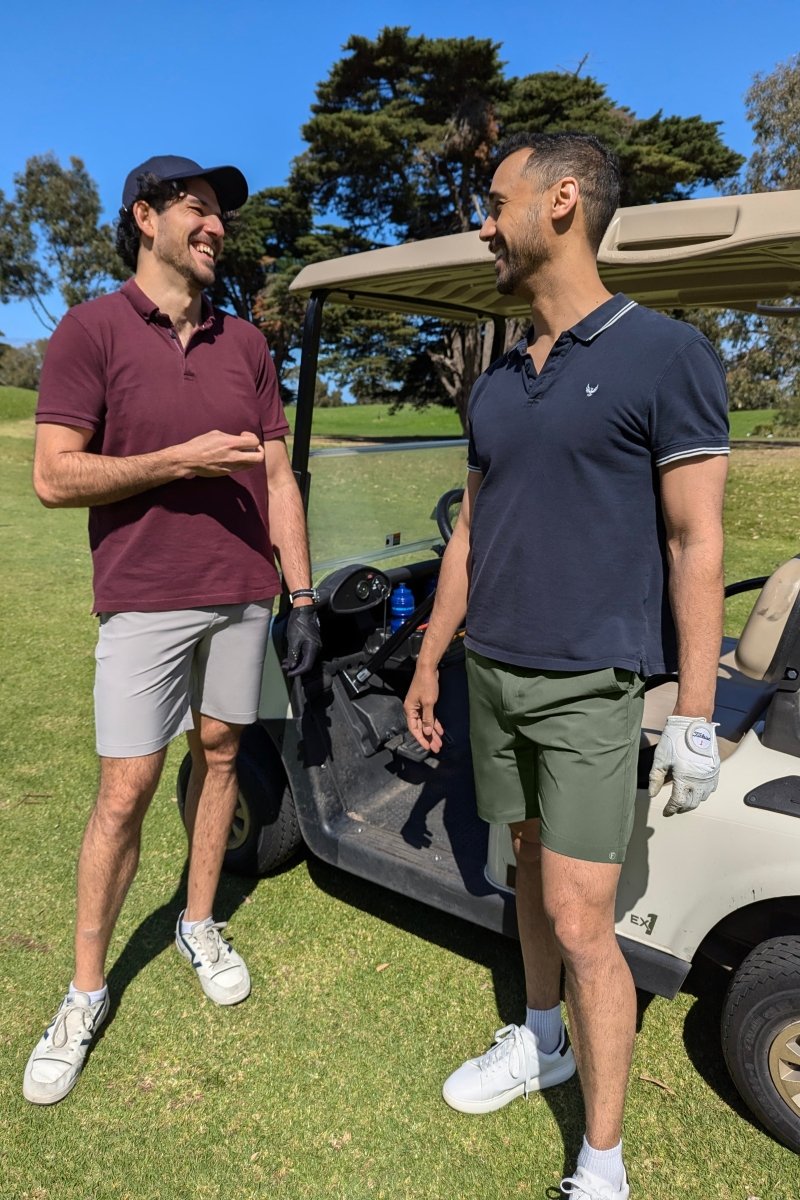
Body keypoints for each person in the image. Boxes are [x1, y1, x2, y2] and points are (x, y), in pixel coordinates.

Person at [403, 133, 728, 1200]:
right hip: (492, 672)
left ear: (562, 201)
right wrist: (431, 656)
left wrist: (693, 713)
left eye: (495, 203)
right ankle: (538, 1037)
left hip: (591, 687)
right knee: (526, 863)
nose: (482, 226)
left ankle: (601, 1162)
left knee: (585, 921)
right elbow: (469, 532)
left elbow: (694, 539)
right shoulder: (498, 382)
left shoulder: (665, 353)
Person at [24, 155, 321, 1106]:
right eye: (198, 208)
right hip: (144, 600)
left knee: (223, 752)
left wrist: (301, 598)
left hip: (244, 596)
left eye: (221, 215)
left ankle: (198, 922)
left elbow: (278, 477)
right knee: (126, 789)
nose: (217, 227)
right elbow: (54, 475)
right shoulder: (90, 330)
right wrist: (175, 460)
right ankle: (84, 991)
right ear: (145, 218)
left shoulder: (246, 343)